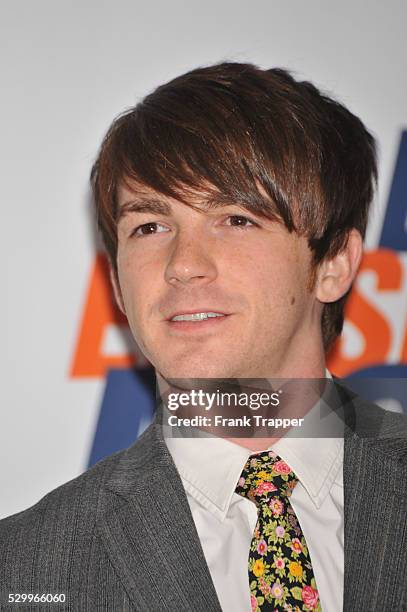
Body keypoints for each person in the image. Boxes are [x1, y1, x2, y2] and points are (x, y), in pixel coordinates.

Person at [1, 62, 406, 612]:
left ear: (333, 262)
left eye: (236, 219)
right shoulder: (25, 570)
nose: (183, 266)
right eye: (150, 226)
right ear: (118, 284)